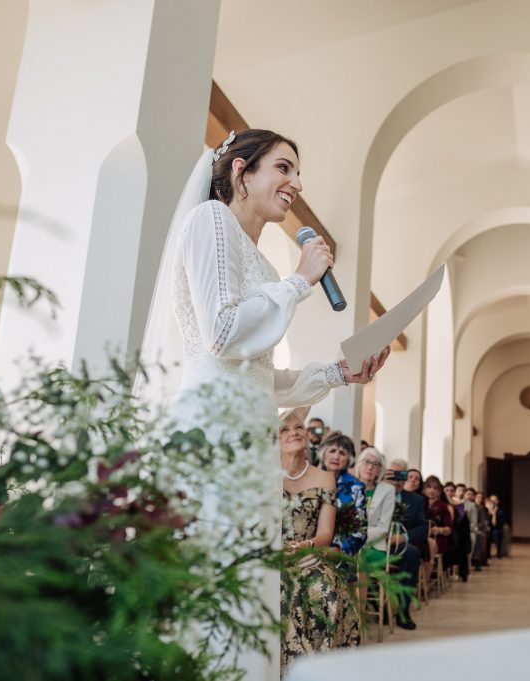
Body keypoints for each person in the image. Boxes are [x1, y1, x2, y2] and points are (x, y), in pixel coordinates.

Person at [141, 128, 388, 677]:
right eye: (283, 168)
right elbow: (223, 335)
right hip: (212, 433)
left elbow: (259, 376)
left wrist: (338, 372)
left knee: (247, 583)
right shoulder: (210, 222)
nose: (295, 184)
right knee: (211, 579)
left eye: (297, 173)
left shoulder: (262, 266)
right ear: (240, 173)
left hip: (251, 441)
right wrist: (302, 281)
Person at [278, 408, 360, 672]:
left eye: (298, 427)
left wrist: (305, 546)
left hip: (308, 553)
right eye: (284, 429)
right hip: (269, 556)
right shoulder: (261, 475)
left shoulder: (325, 478)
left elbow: (326, 533)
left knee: (324, 590)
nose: (294, 432)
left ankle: (317, 671)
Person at [382, 458, 426, 629]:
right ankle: (378, 606)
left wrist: (402, 537)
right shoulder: (375, 491)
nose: (397, 481)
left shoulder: (415, 499)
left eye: (402, 476)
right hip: (375, 541)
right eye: (393, 476)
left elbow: (422, 528)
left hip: (399, 545)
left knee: (412, 553)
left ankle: (402, 610)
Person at [320, 431, 366, 557]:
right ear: (323, 454)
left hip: (338, 552)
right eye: (332, 451)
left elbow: (360, 529)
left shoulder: (356, 487)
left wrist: (339, 549)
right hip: (307, 548)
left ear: (348, 460)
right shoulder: (310, 480)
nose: (336, 457)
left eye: (342, 453)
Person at [422, 476, 455, 567]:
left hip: (437, 539)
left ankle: (425, 579)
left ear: (439, 492)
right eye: (429, 487)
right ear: (424, 489)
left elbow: (449, 529)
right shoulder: (418, 502)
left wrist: (439, 530)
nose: (432, 490)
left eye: (435, 488)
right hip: (420, 536)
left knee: (429, 544)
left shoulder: (443, 507)